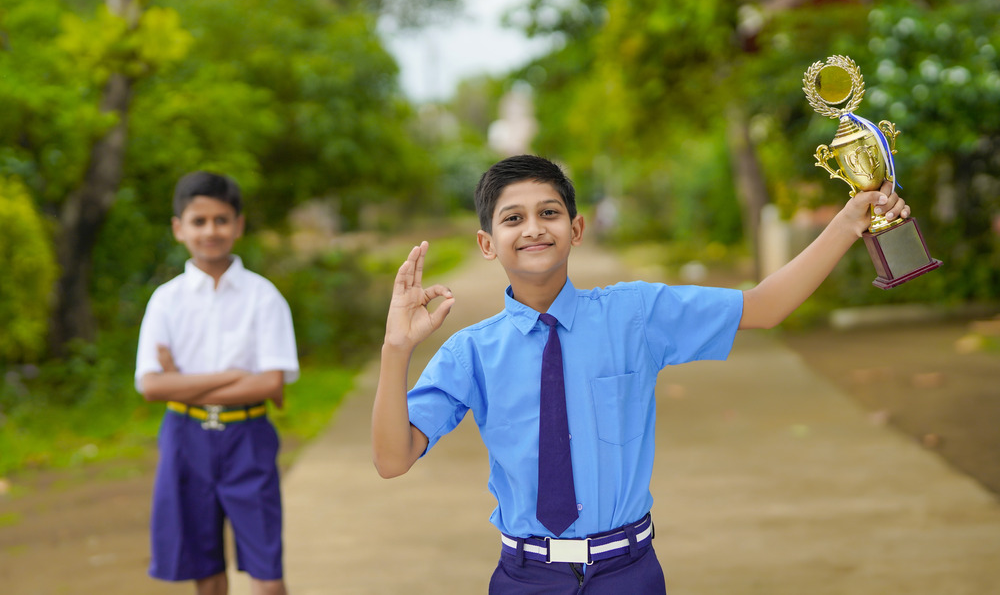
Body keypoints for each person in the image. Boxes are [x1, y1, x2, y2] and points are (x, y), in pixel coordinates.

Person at [372, 154, 910, 593]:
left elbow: (764, 307)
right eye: (513, 218)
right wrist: (396, 349)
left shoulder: (635, 315)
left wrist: (846, 222)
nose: (533, 228)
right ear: (488, 243)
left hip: (627, 573)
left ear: (577, 228)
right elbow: (393, 460)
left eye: (550, 213)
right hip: (525, 577)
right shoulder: (471, 352)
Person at [135, 171, 299, 595]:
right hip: (184, 438)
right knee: (204, 570)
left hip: (248, 438)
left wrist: (181, 381)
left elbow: (269, 385)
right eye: (199, 221)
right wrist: (232, 376)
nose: (211, 230)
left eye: (222, 220)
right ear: (178, 229)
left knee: (268, 575)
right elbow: (152, 387)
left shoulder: (264, 297)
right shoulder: (165, 300)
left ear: (239, 225)